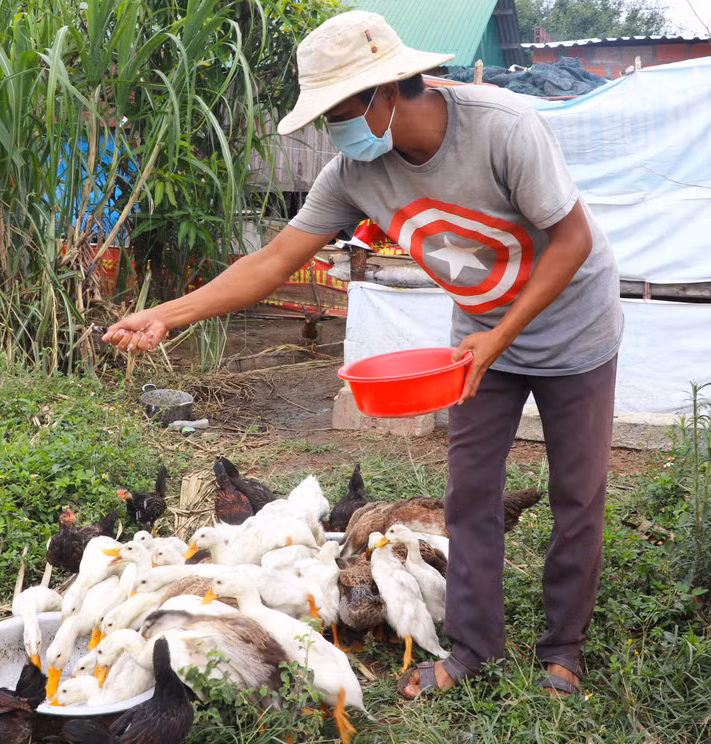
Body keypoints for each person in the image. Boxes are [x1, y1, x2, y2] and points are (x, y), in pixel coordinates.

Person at [102, 10, 622, 698]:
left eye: (339, 111)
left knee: (575, 494)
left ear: (387, 90)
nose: (332, 130)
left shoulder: (501, 127)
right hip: (477, 342)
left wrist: (503, 336)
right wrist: (165, 316)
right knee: (468, 495)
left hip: (573, 328)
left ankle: (563, 649)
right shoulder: (352, 173)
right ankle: (470, 649)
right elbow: (272, 262)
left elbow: (573, 240)